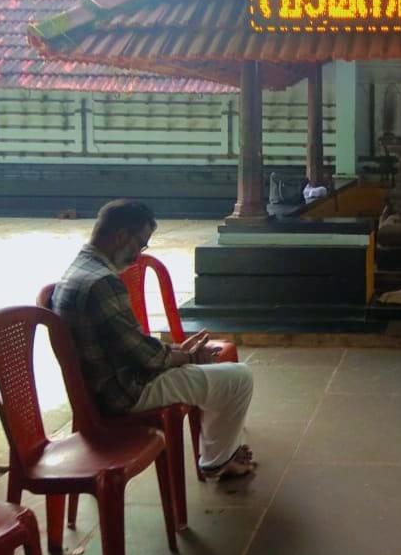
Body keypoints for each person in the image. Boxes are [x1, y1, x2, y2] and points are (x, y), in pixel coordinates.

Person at [51, 199, 257, 480]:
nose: (138, 255)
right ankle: (217, 462)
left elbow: (130, 344)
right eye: (140, 244)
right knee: (238, 378)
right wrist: (186, 356)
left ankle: (220, 454)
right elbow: (146, 357)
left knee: (211, 373)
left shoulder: (77, 270)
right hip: (126, 394)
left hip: (104, 387)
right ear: (121, 236)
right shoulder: (103, 283)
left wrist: (173, 351)